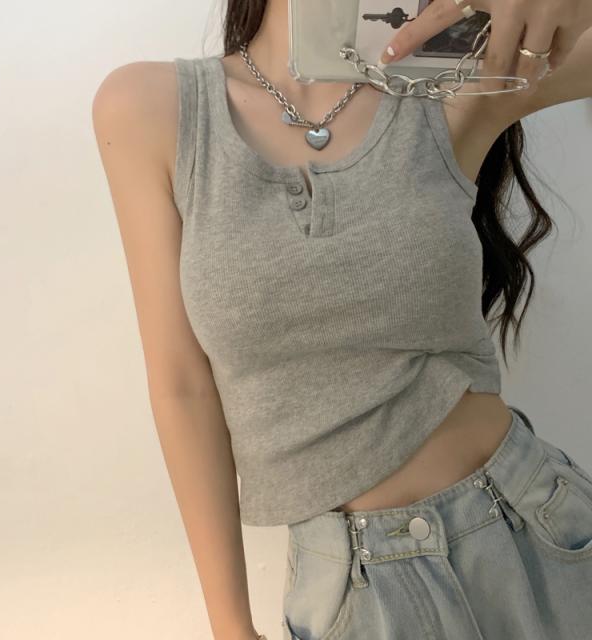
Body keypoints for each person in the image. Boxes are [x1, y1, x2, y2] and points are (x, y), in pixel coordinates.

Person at [92, 0, 592, 638]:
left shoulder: (442, 72)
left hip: (536, 531)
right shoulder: (147, 107)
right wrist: (229, 626)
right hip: (354, 595)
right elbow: (181, 384)